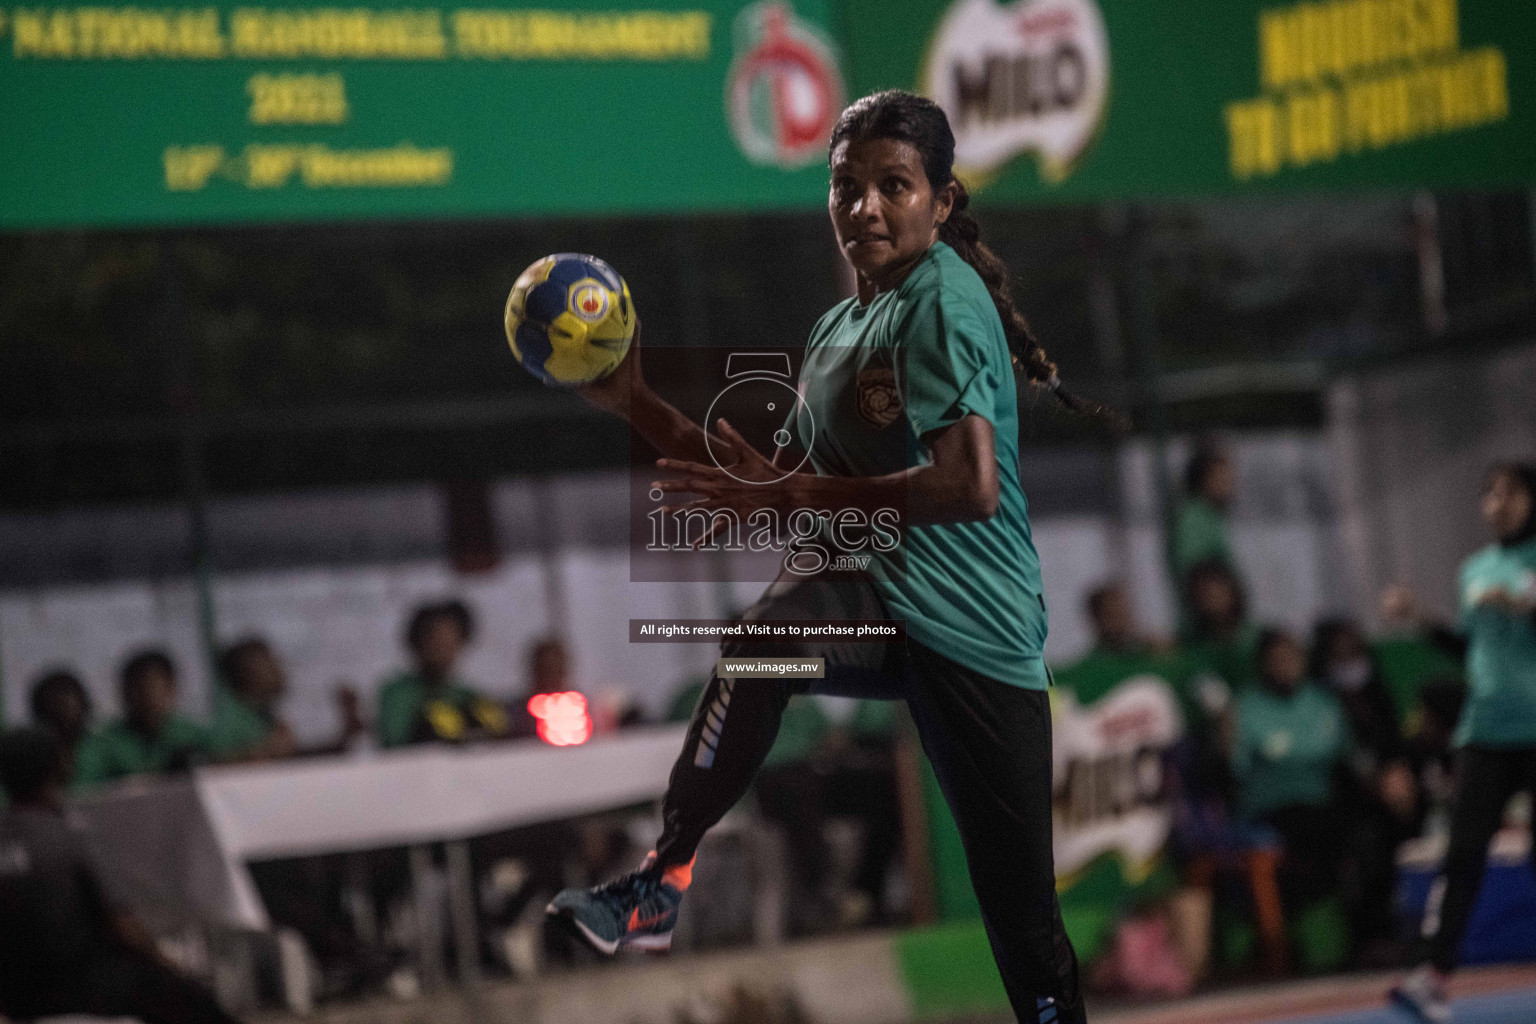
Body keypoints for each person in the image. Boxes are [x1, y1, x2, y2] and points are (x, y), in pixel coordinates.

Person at [547, 90, 1105, 1024]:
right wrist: (637, 400)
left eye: (894, 185)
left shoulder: (945, 303)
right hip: (883, 603)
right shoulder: (837, 330)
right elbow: (781, 483)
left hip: (978, 637)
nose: (866, 208)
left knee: (1024, 927)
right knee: (761, 644)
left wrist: (796, 495)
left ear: (943, 200)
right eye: (846, 186)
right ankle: (658, 880)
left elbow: (970, 486)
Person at [1392, 463, 1536, 1024]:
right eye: (1489, 494)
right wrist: (1420, 620)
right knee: (1462, 853)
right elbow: (1470, 650)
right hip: (1484, 733)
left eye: (1510, 492)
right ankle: (1430, 975)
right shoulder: (1474, 570)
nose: (1498, 503)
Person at [0, 727, 244, 1023]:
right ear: (59, 769)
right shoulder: (71, 837)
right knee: (191, 1000)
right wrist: (171, 965)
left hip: (16, 996)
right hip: (81, 986)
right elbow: (124, 928)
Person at [1230, 630, 1352, 961]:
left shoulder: (1322, 702)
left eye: (1292, 658)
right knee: (1309, 833)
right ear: (1263, 665)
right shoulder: (1246, 708)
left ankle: (1340, 940)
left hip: (1321, 806)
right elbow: (1236, 768)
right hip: (1269, 810)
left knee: (1343, 831)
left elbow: (1342, 753)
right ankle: (1301, 944)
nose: (1286, 666)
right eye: (1277, 660)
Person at [376, 600, 509, 747]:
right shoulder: (398, 694)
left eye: (450, 640)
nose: (443, 650)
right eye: (436, 640)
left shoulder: (468, 696)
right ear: (418, 643)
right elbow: (394, 744)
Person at [209, 636, 364, 762]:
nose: (279, 667)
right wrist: (268, 751)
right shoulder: (229, 720)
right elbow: (216, 767)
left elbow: (293, 760)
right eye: (268, 661)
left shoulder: (263, 716)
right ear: (248, 672)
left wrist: (345, 735)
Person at [74, 649, 212, 788]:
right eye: (139, 690)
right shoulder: (103, 744)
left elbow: (223, 763)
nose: (148, 698)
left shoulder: (191, 734)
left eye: (155, 688)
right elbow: (83, 792)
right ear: (124, 693)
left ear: (172, 689)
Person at [1170, 440, 1239, 593]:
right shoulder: (1193, 517)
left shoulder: (1209, 515)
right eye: (1220, 478)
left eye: (1228, 478)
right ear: (1203, 480)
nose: (1228, 485)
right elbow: (1197, 573)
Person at [29, 668, 94, 779]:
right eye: (57, 702)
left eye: (68, 698)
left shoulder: (104, 747)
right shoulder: (33, 758)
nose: (65, 708)